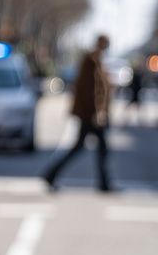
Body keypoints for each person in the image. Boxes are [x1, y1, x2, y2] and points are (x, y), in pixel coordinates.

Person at [43, 35, 116, 192]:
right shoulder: (91, 61)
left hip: (91, 114)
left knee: (87, 148)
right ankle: (50, 175)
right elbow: (92, 89)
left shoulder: (97, 61)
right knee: (88, 148)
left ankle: (51, 175)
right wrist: (98, 112)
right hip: (90, 115)